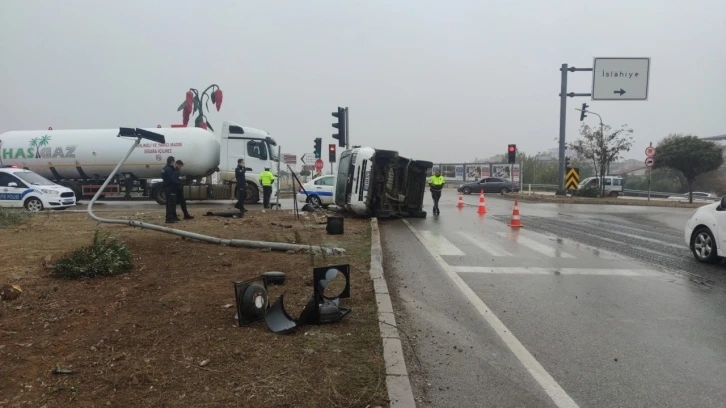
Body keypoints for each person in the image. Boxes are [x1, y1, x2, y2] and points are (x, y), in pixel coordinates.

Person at [161, 156, 178, 223]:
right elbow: (172, 179)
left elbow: (163, 177)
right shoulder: (170, 169)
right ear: (172, 162)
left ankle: (170, 217)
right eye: (174, 162)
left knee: (169, 203)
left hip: (166, 187)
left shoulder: (164, 169)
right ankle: (169, 218)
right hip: (170, 187)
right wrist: (178, 183)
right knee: (171, 203)